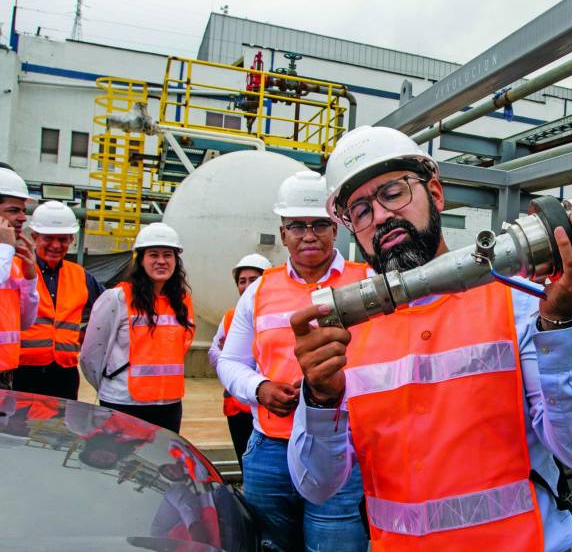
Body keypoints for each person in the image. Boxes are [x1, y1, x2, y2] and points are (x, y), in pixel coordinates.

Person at [287, 127, 572, 551]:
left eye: (392, 193)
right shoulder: (344, 330)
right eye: (361, 210)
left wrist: (562, 323)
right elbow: (316, 485)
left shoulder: (516, 301)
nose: (381, 216)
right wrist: (320, 400)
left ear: (435, 193)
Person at [218, 170, 368, 552]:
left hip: (341, 445)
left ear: (336, 229)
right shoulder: (259, 290)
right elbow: (229, 361)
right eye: (297, 226)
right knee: (271, 544)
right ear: (282, 233)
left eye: (319, 224)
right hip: (270, 447)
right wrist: (259, 389)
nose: (308, 235)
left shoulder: (365, 283)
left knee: (334, 542)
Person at [81, 223, 194, 433]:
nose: (161, 261)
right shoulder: (117, 298)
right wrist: (111, 387)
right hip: (124, 403)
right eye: (153, 255)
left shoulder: (182, 302)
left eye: (167, 255)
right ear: (140, 260)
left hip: (168, 404)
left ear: (176, 261)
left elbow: (178, 349)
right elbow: (91, 354)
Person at [15, 201, 104, 400]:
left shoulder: (80, 275)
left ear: (72, 239)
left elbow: (111, 307)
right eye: (49, 238)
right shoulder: (16, 268)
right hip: (21, 372)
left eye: (63, 239)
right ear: (34, 236)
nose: (56, 245)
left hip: (64, 374)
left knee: (62, 429)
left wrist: (86, 334)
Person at [208, 253, 271, 471]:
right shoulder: (231, 316)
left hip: (267, 407)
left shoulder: (276, 314)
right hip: (237, 408)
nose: (246, 286)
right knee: (246, 463)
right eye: (242, 281)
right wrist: (229, 359)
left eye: (253, 280)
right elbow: (214, 353)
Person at [0, 163, 39, 390]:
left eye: (23, 210)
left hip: (7, 371)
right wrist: (5, 248)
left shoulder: (11, 261)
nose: (23, 218)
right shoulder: (5, 255)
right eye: (14, 210)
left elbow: (25, 322)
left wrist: (30, 278)